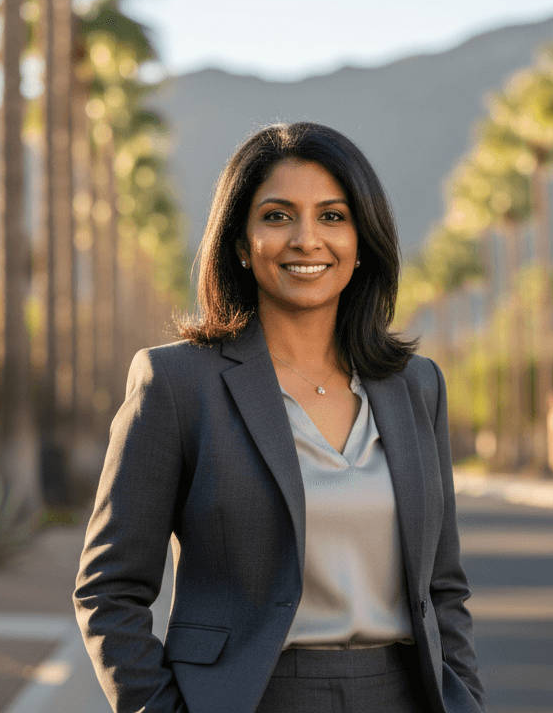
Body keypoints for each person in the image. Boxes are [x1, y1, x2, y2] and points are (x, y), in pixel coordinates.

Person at [74, 122, 484, 713]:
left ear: (362, 239)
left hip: (404, 696)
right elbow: (108, 590)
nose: (306, 239)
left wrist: (464, 699)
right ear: (240, 243)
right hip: (249, 698)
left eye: (333, 216)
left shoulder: (415, 386)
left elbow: (444, 585)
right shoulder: (177, 384)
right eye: (276, 215)